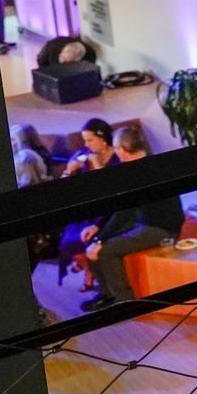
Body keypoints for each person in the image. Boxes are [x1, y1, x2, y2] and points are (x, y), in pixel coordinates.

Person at [80, 125, 184, 311]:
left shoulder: (144, 172)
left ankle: (125, 302)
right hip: (142, 222)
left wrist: (101, 241)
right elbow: (119, 204)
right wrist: (98, 228)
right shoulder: (140, 165)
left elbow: (124, 212)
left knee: (104, 251)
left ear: (121, 149)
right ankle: (107, 293)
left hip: (162, 230)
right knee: (92, 243)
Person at [55, 118, 115, 287]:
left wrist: (97, 164)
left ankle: (95, 273)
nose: (86, 144)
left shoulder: (117, 156)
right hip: (87, 210)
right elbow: (62, 187)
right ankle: (89, 269)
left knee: (86, 239)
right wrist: (69, 172)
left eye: (90, 140)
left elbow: (110, 188)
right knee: (68, 242)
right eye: (85, 140)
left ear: (103, 139)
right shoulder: (82, 155)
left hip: (108, 211)